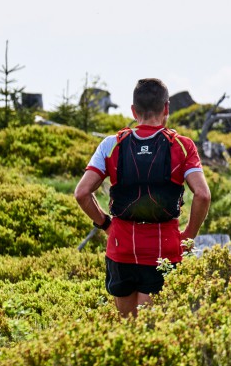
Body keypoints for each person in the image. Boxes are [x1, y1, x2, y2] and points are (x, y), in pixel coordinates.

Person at [74, 78, 211, 317]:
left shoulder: (111, 144)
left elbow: (82, 193)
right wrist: (189, 235)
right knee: (153, 330)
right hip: (164, 248)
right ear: (167, 108)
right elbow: (202, 194)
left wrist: (105, 224)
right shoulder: (182, 145)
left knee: (127, 328)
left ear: (133, 110)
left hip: (120, 247)